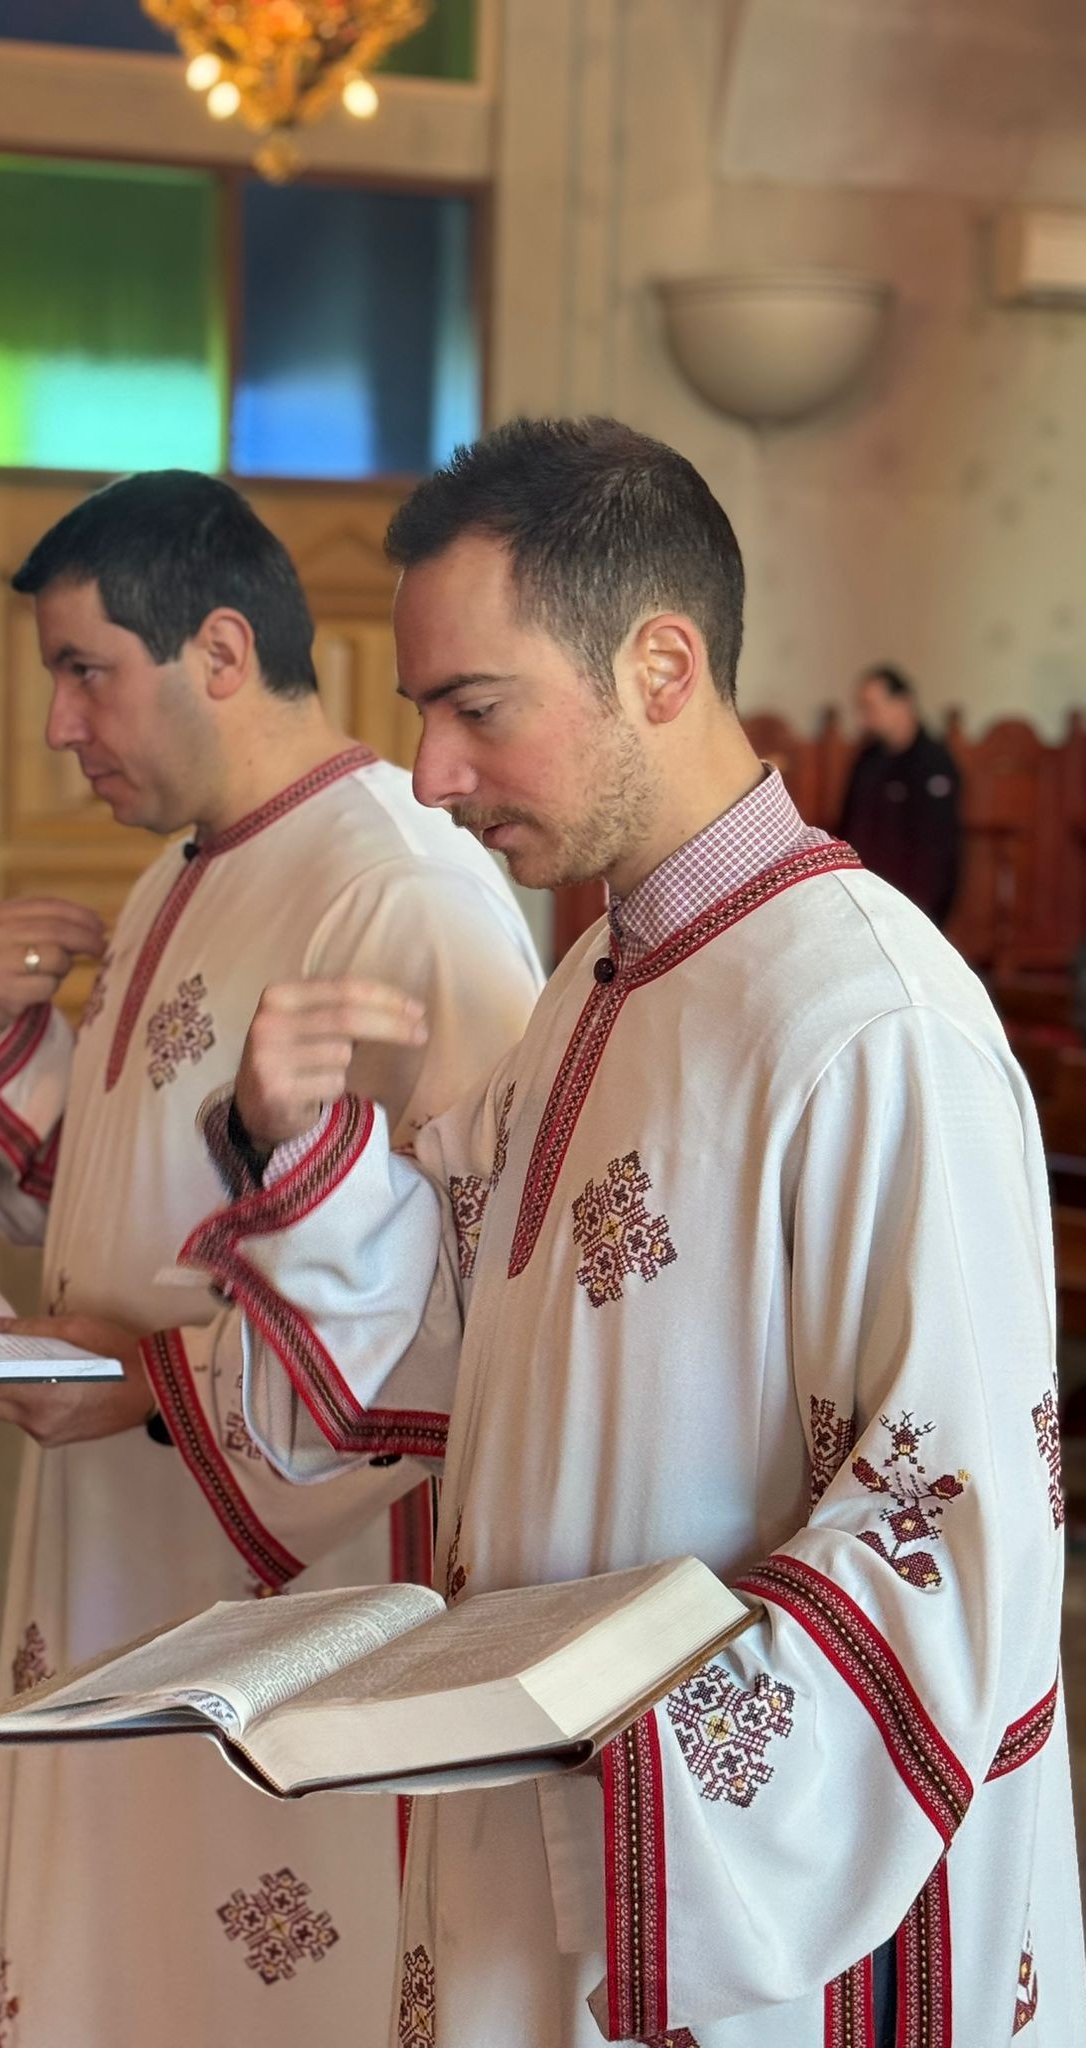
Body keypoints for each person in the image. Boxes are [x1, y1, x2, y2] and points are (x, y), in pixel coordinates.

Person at [137, 421, 1082, 2044]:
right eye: (422, 710)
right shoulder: (599, 970)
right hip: (536, 1820)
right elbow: (483, 1324)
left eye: (474, 707)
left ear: (660, 665)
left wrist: (636, 1749)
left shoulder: (872, 1019)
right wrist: (303, 1162)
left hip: (728, 1910)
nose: (428, 771)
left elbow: (952, 1524)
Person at [0, 470, 543, 2048]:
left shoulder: (405, 889)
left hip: (290, 1576)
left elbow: (477, 1294)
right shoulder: (184, 864)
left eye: (84, 670)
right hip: (123, 1537)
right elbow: (137, 1196)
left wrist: (159, 1386)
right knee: (124, 1929)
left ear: (221, 651)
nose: (58, 725)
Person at [836, 663, 963, 927]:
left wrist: (922, 915)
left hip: (914, 908)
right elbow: (849, 829)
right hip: (864, 898)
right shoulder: (867, 761)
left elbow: (938, 852)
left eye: (872, 707)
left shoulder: (934, 764)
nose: (865, 719)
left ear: (903, 703)